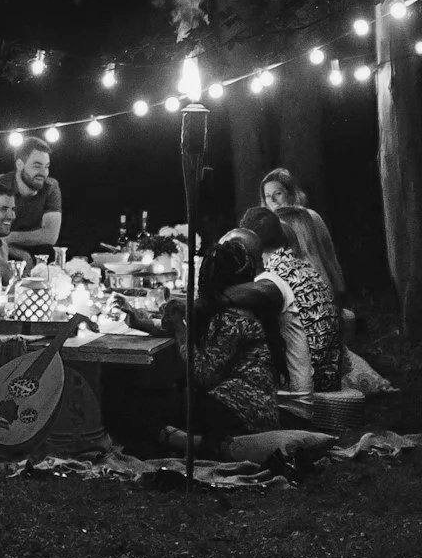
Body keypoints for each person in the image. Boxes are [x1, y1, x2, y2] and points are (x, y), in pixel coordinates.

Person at [126, 236, 276, 454]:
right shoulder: (235, 308)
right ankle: (187, 442)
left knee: (139, 411)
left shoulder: (232, 318)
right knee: (152, 406)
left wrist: (179, 327)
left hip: (241, 410)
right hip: (244, 406)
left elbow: (203, 373)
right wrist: (142, 323)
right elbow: (194, 334)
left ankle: (198, 445)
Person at [220, 207, 346, 394]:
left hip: (302, 397)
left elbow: (241, 298)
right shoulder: (301, 266)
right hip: (328, 382)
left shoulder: (274, 278)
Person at [260, 167, 346, 305]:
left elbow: (329, 255)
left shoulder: (311, 217)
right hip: (289, 294)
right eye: (268, 196)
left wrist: (340, 290)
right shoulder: (269, 225)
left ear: (290, 193)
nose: (273, 201)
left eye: (278, 193)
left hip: (314, 290)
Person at [0, 138, 63, 254]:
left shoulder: (51, 186)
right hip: (1, 255)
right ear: (20, 164)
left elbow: (50, 236)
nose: (43, 173)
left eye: (46, 167)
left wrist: (10, 237)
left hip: (40, 258)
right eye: (37, 166)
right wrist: (21, 255)